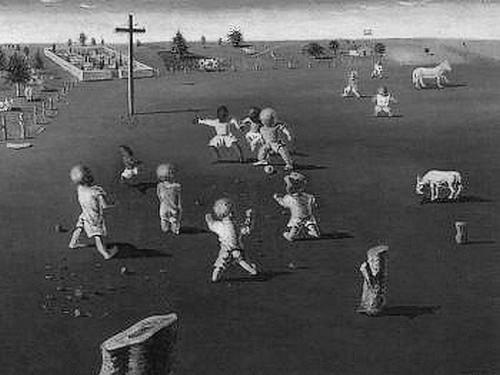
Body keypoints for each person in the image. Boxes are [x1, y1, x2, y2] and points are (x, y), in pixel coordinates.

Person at [68, 165, 119, 260]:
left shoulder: (80, 188)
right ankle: (105, 253)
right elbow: (104, 205)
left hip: (85, 212)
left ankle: (73, 243)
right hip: (94, 216)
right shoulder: (96, 191)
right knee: (98, 235)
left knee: (80, 226)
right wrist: (114, 203)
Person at [205, 198, 258, 282]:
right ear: (230, 214)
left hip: (225, 248)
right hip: (236, 248)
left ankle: (215, 276)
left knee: (220, 264)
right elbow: (246, 229)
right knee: (241, 260)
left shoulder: (220, 226)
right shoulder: (236, 225)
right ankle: (252, 270)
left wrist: (209, 219)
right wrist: (249, 217)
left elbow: (212, 225)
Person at [273, 172, 320, 241]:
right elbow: (313, 203)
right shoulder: (308, 196)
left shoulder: (289, 198)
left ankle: (290, 236)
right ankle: (315, 232)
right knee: (309, 222)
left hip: (297, 216)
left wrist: (277, 198)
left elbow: (283, 203)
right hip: (308, 214)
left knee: (295, 228)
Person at [357, 245, 389, 316]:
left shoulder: (379, 273)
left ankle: (371, 306)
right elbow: (371, 283)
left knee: (374, 289)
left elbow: (372, 284)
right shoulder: (378, 272)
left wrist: (365, 270)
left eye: (377, 260)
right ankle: (369, 305)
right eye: (371, 260)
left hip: (374, 304)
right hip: (372, 304)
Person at [156, 163, 182, 235]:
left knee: (164, 218)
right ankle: (174, 230)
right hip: (173, 206)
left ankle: (165, 228)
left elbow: (159, 195)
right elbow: (178, 197)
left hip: (164, 206)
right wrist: (179, 206)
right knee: (175, 219)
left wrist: (162, 201)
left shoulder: (160, 185)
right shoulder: (176, 186)